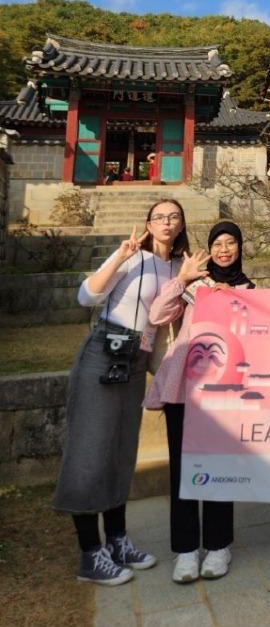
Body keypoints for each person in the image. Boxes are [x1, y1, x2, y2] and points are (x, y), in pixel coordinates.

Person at [53, 199, 188, 585]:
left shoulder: (180, 266)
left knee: (121, 451)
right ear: (148, 224)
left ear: (181, 225)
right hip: (104, 353)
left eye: (173, 217)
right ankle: (90, 554)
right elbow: (86, 296)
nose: (166, 222)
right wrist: (120, 256)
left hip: (135, 361)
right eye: (159, 217)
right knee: (90, 450)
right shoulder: (132, 257)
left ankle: (116, 540)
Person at [145, 220, 255, 583]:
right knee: (182, 467)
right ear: (209, 249)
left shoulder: (249, 290)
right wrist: (182, 280)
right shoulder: (195, 285)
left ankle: (219, 545)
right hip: (185, 387)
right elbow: (157, 315)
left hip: (224, 389)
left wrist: (234, 300)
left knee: (220, 465)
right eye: (217, 244)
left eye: (231, 243)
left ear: (240, 248)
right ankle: (186, 549)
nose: (224, 250)